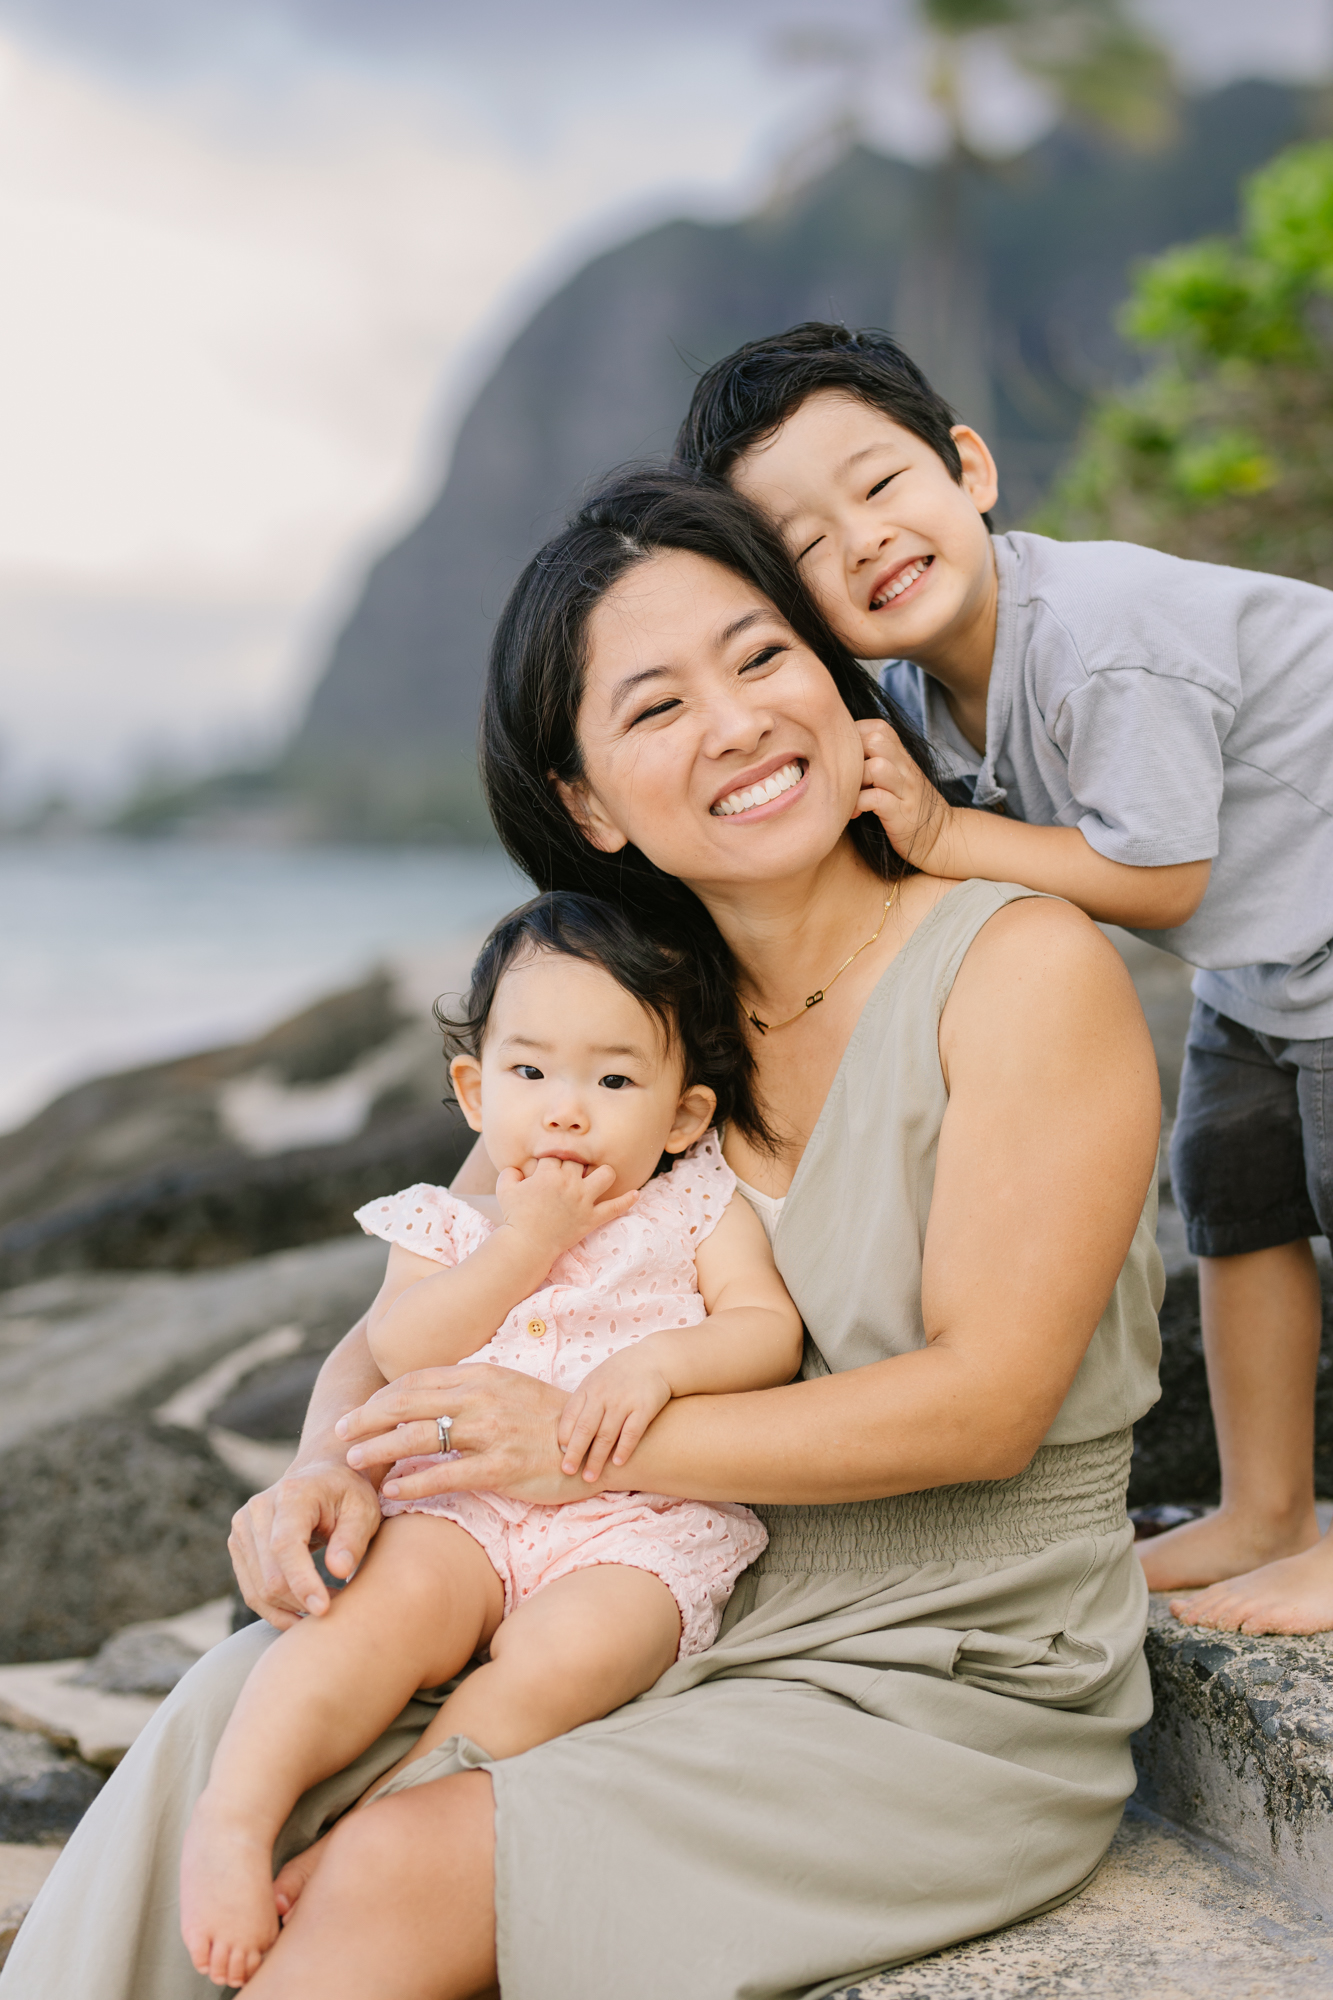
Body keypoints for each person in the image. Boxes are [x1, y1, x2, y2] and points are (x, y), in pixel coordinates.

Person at [1, 468, 1161, 2000]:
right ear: (589, 800)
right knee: (236, 1706)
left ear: (832, 677)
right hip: (653, 1597)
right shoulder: (622, 1026)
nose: (738, 723)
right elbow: (407, 1309)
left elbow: (989, 1406)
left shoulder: (1022, 969)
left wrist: (585, 1450)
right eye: (656, 705)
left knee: (398, 1866)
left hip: (946, 1659)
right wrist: (318, 1466)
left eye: (762, 658)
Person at [675, 321, 1333, 1639]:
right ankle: (1266, 1509)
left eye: (879, 484)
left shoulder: (1099, 636)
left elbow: (1162, 881)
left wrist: (942, 833)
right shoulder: (922, 705)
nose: (857, 539)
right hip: (1270, 968)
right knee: (1234, 1196)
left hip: (1276, 928)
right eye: (802, 543)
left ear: (967, 468)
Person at [179, 891, 797, 1987]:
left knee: (581, 1651)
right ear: (474, 1090)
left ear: (683, 1115)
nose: (565, 1110)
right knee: (370, 1615)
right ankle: (235, 1815)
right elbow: (402, 1341)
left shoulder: (698, 1208)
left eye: (612, 1080)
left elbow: (765, 1330)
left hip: (635, 1519)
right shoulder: (448, 1222)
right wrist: (525, 1242)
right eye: (529, 1074)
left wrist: (661, 1362)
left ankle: (395, 1805)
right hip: (464, 1500)